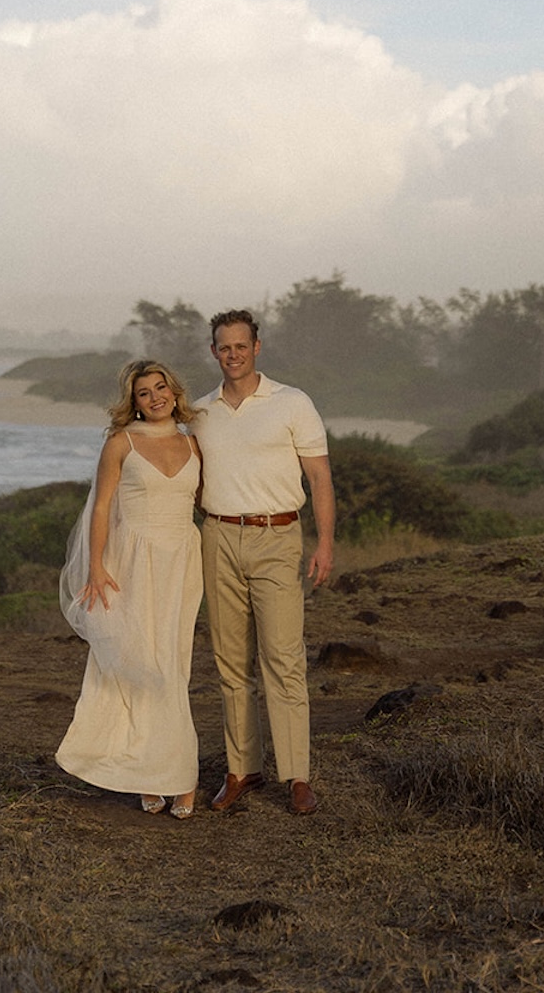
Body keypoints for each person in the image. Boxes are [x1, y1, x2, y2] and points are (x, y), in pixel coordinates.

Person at [194, 308, 334, 816]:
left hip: (277, 537)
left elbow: (319, 479)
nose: (232, 354)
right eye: (223, 347)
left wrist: (324, 545)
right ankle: (242, 769)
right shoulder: (200, 411)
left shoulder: (292, 402)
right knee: (231, 662)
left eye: (240, 345)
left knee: (282, 658)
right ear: (213, 352)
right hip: (218, 536)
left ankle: (296, 775)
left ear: (257, 347)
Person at [56, 361, 203, 816]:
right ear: (133, 402)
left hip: (181, 561)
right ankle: (148, 771)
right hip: (131, 563)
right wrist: (96, 567)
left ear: (174, 392)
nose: (155, 397)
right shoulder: (120, 443)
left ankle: (178, 774)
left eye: (161, 388)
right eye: (144, 392)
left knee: (172, 665)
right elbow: (100, 508)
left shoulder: (194, 443)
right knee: (138, 664)